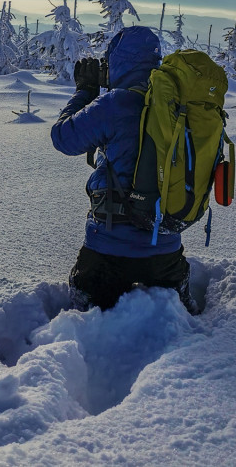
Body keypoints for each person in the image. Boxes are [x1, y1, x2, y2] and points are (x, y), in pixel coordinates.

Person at [50, 26, 196, 313]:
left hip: (108, 250)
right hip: (167, 254)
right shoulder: (180, 106)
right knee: (179, 320)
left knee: (86, 315)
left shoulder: (115, 103)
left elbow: (63, 138)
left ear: (118, 62)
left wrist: (85, 93)